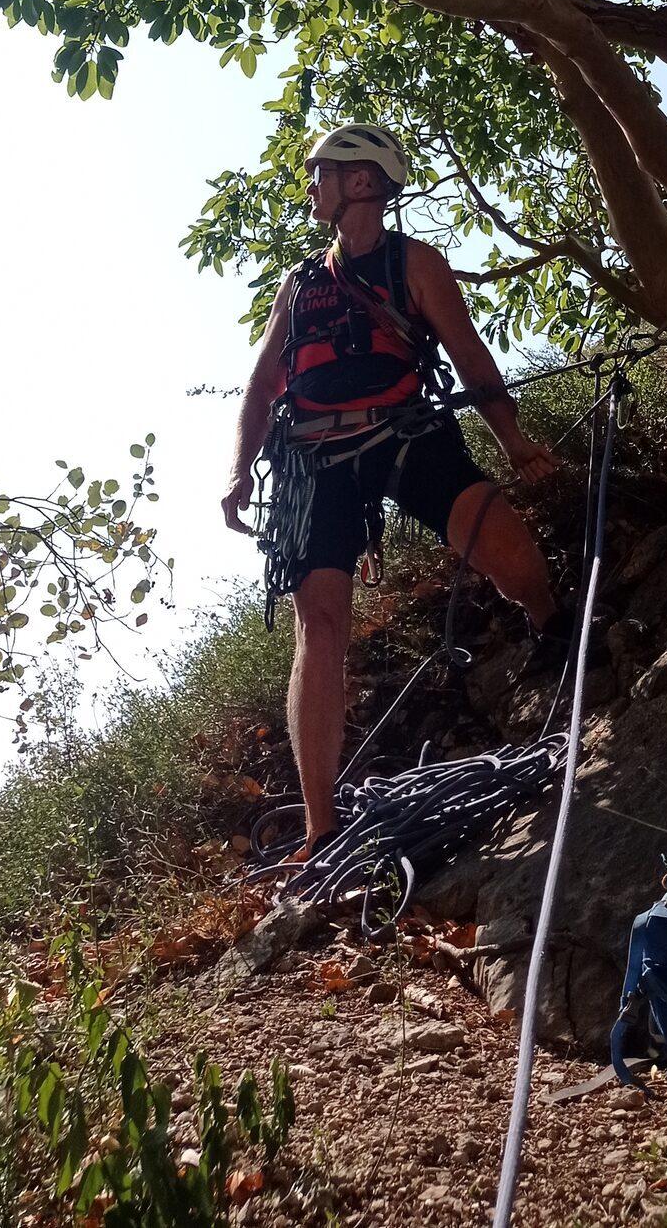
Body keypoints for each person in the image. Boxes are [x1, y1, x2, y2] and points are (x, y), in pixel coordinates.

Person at [222, 124, 567, 858]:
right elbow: (263, 382)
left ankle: (549, 619)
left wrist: (513, 440)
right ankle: (322, 827)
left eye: (321, 171)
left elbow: (470, 354)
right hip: (316, 463)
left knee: (502, 547)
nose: (311, 183)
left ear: (361, 183)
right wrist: (238, 466)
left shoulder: (418, 264)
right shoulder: (299, 283)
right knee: (318, 623)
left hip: (405, 432)